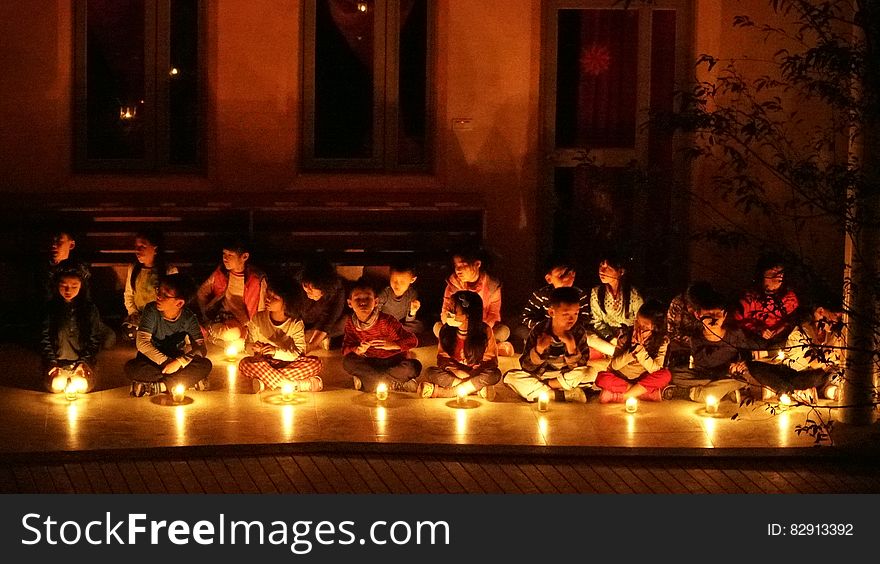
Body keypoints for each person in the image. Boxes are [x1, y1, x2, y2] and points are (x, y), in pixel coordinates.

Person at [504, 287, 614, 404]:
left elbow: (581, 366)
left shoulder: (578, 332)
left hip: (567, 376)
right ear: (552, 312)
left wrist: (572, 349)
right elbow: (526, 367)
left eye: (576, 313)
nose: (572, 318)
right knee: (509, 377)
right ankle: (563, 395)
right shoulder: (540, 330)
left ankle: (546, 390)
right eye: (566, 314)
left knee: (590, 372)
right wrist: (538, 350)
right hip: (543, 375)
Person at [126, 274, 213, 397]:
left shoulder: (189, 318)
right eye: (158, 291)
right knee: (132, 368)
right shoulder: (151, 310)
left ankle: (159, 387)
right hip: (152, 360)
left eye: (165, 295)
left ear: (179, 303)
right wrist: (166, 362)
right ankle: (184, 382)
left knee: (205, 365)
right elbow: (142, 343)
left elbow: (201, 348)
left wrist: (179, 362)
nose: (158, 296)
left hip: (175, 360)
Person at [669, 290, 757, 404]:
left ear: (724, 315)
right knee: (675, 375)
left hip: (732, 374)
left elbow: (746, 354)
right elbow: (704, 362)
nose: (714, 319)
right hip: (709, 374)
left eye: (717, 315)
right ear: (698, 315)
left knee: (746, 376)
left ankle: (701, 393)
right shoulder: (696, 338)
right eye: (708, 315)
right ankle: (728, 390)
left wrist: (741, 364)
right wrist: (726, 369)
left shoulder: (734, 334)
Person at [238, 278, 323, 394]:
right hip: (265, 363)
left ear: (287, 303)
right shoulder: (258, 318)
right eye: (268, 294)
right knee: (244, 364)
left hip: (289, 363)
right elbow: (247, 345)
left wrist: (276, 351)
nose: (268, 299)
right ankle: (296, 385)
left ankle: (267, 382)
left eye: (275, 298)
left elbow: (298, 353)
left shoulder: (295, 324)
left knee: (315, 363)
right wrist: (254, 348)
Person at [342, 279, 421, 393]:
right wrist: (357, 349)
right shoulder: (351, 323)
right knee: (348, 361)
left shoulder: (386, 321)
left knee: (414, 366)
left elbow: (413, 340)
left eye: (367, 298)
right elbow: (345, 349)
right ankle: (394, 383)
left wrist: (393, 345)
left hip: (393, 362)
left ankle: (371, 382)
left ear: (376, 302)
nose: (363, 302)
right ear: (350, 303)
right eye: (358, 299)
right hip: (370, 362)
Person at [420, 290, 502, 400]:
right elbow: (442, 357)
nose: (449, 313)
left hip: (477, 373)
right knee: (430, 372)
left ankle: (445, 393)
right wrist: (456, 371)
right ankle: (475, 389)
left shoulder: (484, 331)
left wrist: (473, 373)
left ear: (467, 314)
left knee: (495, 374)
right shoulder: (446, 330)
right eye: (449, 309)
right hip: (454, 374)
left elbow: (490, 360)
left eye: (453, 310)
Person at [40, 266, 104, 395]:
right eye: (63, 285)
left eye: (74, 286)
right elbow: (44, 337)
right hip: (57, 362)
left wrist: (84, 362)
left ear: (81, 287)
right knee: (57, 385)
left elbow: (95, 339)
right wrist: (53, 362)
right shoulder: (50, 309)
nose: (68, 290)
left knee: (81, 385)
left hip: (81, 363)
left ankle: (74, 377)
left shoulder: (90, 309)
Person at [595, 300, 671, 403]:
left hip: (643, 379)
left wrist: (639, 350)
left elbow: (656, 370)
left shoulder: (662, 341)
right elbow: (614, 366)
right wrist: (631, 352)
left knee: (665, 375)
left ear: (656, 328)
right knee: (601, 378)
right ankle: (644, 394)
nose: (638, 330)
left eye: (644, 328)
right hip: (621, 376)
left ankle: (622, 396)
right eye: (637, 323)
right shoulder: (625, 335)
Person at [436, 248, 511, 350]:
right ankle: (485, 347)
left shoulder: (492, 286)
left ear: (477, 264)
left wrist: (477, 328)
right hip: (458, 329)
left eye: (463, 265)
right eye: (456, 266)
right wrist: (452, 322)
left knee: (503, 331)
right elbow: (445, 312)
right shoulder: (453, 285)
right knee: (438, 327)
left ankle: (473, 346)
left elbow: (494, 315)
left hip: (481, 330)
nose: (458, 270)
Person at [196, 238, 267, 345]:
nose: (225, 258)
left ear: (244, 257)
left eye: (230, 255)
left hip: (244, 323)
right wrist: (205, 316)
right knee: (231, 333)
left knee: (236, 336)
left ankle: (218, 340)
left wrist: (253, 329)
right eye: (224, 254)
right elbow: (202, 293)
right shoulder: (221, 274)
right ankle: (211, 334)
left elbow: (262, 308)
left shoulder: (256, 278)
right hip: (221, 319)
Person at [513, 258, 589, 348]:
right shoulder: (542, 295)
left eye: (570, 275)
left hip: (570, 333)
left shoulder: (579, 295)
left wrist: (569, 329)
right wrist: (543, 328)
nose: (567, 279)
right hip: (544, 333)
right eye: (561, 276)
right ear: (549, 279)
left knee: (587, 337)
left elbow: (584, 318)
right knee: (521, 330)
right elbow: (526, 316)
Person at [122, 230, 178, 340]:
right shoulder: (133, 269)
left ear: (155, 249)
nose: (137, 250)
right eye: (136, 246)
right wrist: (133, 312)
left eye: (142, 246)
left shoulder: (169, 270)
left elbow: (174, 300)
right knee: (130, 330)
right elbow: (128, 295)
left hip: (161, 316)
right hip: (140, 317)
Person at [735, 253, 799, 349]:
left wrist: (779, 329)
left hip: (781, 339)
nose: (778, 277)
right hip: (755, 340)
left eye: (781, 273)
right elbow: (737, 321)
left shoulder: (789, 298)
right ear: (762, 274)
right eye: (773, 273)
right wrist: (758, 329)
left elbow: (793, 320)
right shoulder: (749, 298)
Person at [296, 257, 347, 353]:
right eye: (305, 286)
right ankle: (319, 340)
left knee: (345, 323)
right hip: (301, 324)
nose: (308, 290)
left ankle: (318, 339)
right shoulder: (298, 286)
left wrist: (310, 346)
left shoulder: (336, 292)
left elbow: (328, 320)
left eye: (312, 288)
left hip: (324, 324)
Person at [589, 253, 644, 342]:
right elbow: (596, 321)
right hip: (607, 338)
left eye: (608, 268)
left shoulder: (634, 295)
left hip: (630, 337)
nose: (602, 271)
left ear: (621, 272)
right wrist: (611, 338)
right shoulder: (597, 293)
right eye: (601, 266)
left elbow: (640, 322)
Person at [377, 261, 424, 336]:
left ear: (412, 280)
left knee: (419, 326)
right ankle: (394, 333)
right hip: (384, 323)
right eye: (394, 280)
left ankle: (393, 332)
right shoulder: (384, 294)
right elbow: (375, 314)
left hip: (400, 324)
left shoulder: (412, 294)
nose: (397, 285)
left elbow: (409, 321)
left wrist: (412, 312)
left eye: (402, 282)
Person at [666, 281, 713, 354]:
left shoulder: (711, 307)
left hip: (705, 346)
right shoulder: (678, 304)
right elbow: (672, 331)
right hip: (681, 344)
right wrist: (692, 342)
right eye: (692, 306)